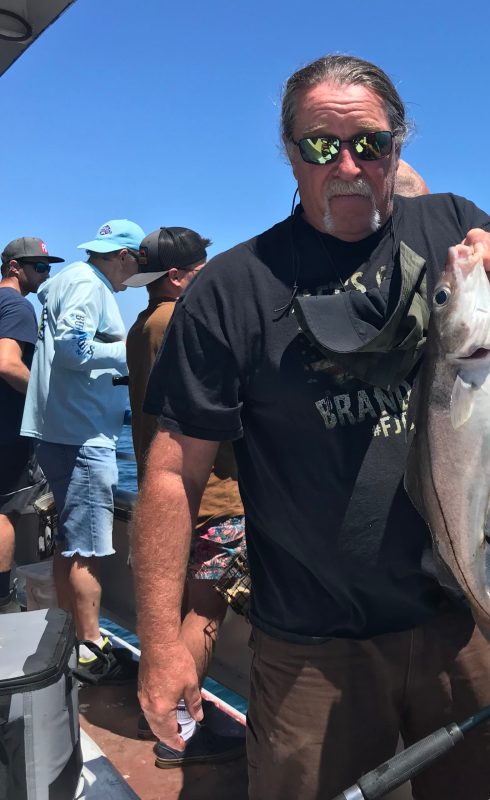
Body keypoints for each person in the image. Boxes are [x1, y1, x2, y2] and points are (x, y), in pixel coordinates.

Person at [133, 54, 490, 800]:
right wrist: (159, 644)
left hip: (457, 628)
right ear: (289, 152)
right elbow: (173, 472)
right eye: (320, 145)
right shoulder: (230, 290)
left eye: (369, 142)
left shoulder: (454, 232)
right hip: (310, 644)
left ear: (398, 145)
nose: (347, 163)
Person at [124, 226, 245, 767]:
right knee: (203, 613)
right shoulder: (181, 321)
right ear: (176, 276)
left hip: (170, 501)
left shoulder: (141, 325)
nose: (207, 276)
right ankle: (180, 735)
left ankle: (171, 717)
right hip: (214, 499)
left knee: (177, 611)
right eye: (200, 269)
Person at [21, 219, 144, 682]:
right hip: (82, 436)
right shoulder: (90, 288)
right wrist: (128, 351)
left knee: (71, 545)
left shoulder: (67, 282)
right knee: (86, 550)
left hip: (63, 429)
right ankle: (89, 648)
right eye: (137, 264)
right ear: (124, 256)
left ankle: (68, 635)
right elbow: (75, 352)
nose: (134, 277)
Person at [0, 237, 64, 613]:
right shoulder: (18, 305)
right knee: (4, 511)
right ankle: (4, 603)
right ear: (14, 268)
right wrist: (48, 401)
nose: (46, 272)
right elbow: (7, 362)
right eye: (38, 266)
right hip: (7, 433)